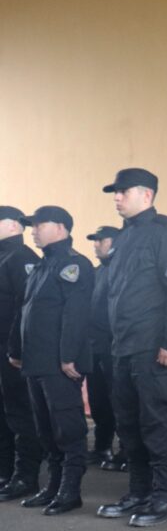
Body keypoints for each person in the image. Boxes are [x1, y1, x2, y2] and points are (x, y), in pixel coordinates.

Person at [96, 167, 167, 527]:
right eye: (115, 193)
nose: (116, 198)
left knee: (158, 422)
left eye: (123, 192)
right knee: (129, 424)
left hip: (154, 349)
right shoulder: (124, 238)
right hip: (123, 348)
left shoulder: (163, 234)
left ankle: (166, 497)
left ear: (146, 195)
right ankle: (139, 492)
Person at [9, 206, 94, 514]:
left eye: (39, 225)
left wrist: (69, 357)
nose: (33, 230)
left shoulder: (75, 265)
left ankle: (71, 491)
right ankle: (53, 486)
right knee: (46, 429)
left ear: (61, 228)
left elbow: (76, 315)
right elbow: (24, 312)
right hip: (36, 363)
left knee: (68, 428)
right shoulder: (43, 267)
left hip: (60, 364)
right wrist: (16, 351)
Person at [0, 207, 42, 500]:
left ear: (14, 225)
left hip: (12, 349)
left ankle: (25, 475)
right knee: (3, 414)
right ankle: (5, 470)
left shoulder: (22, 258)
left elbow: (28, 309)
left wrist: (17, 347)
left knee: (20, 413)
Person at [85, 226, 122, 470]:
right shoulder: (97, 272)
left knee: (119, 400)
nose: (96, 244)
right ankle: (102, 446)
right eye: (94, 240)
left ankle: (127, 450)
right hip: (94, 347)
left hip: (115, 346)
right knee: (98, 401)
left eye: (101, 240)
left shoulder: (122, 270)